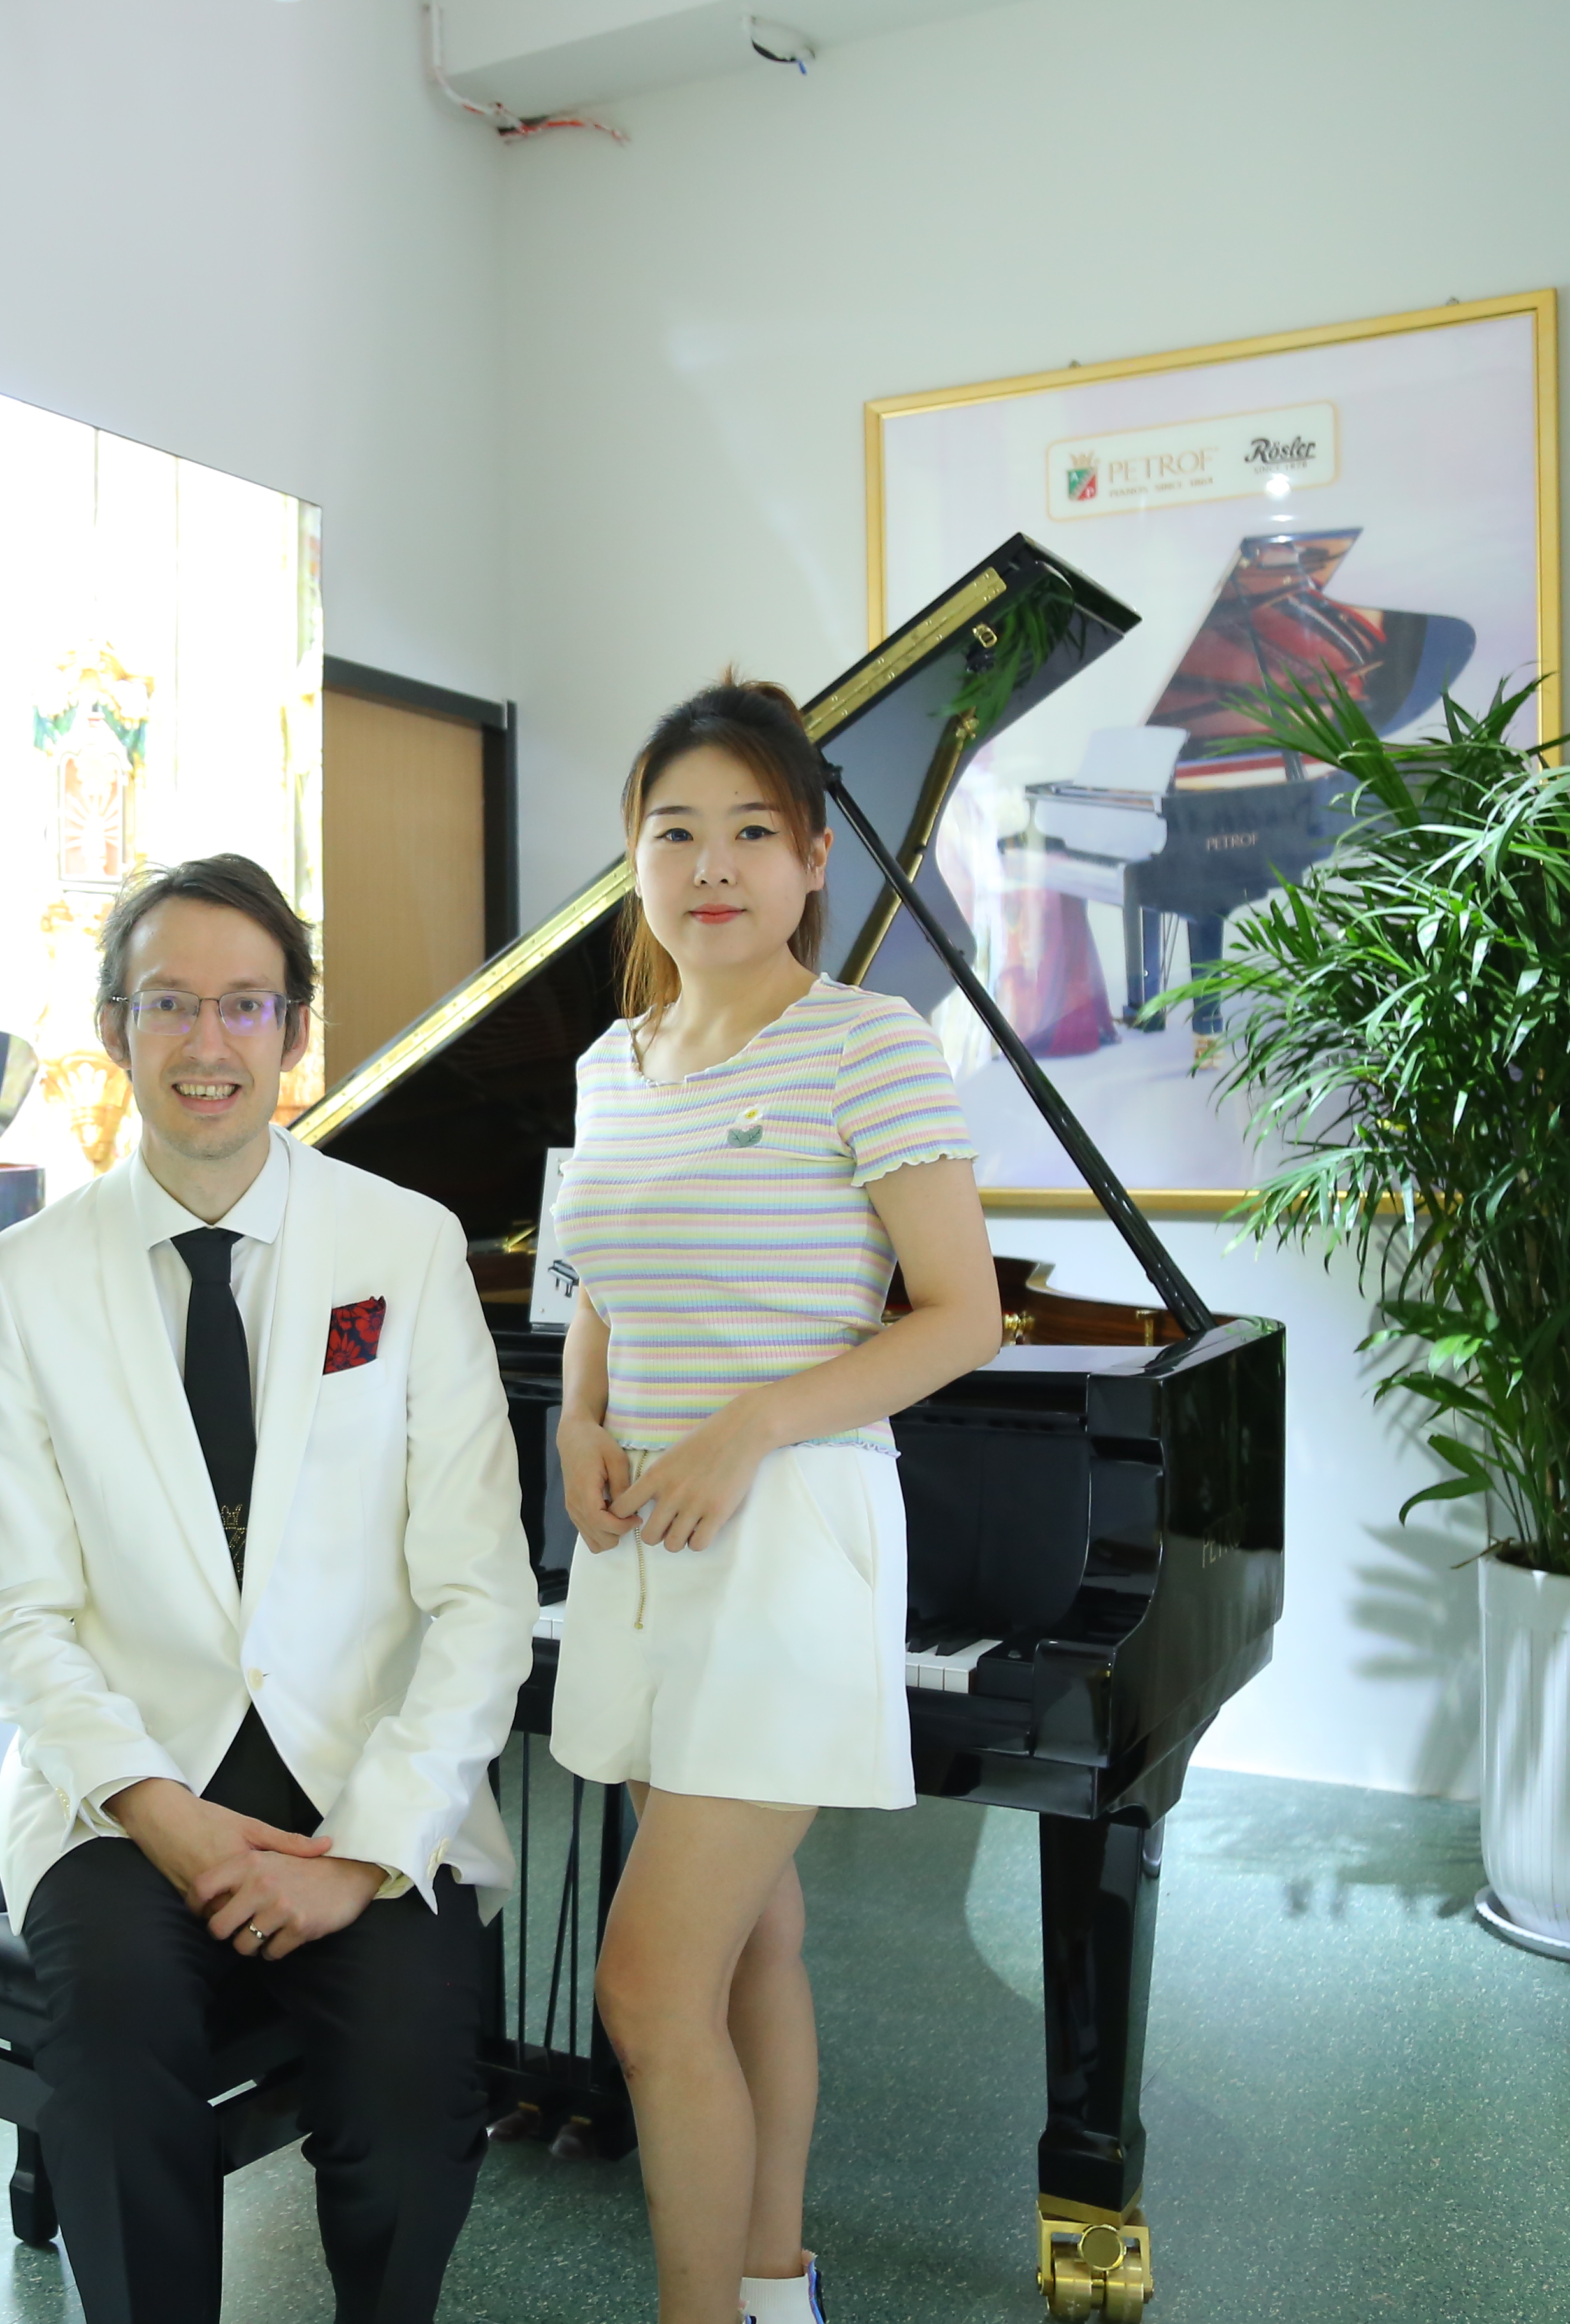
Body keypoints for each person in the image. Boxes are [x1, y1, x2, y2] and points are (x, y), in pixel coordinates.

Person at [0, 854, 541, 2324]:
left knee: (412, 2085)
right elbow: (19, 1612)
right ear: (116, 1026)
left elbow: (481, 1593)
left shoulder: (403, 1247)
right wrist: (160, 1811)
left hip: (360, 1773)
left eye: (244, 1004)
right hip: (125, 1785)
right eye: (169, 1004)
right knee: (110, 2050)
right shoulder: (26, 1278)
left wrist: (363, 1853)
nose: (206, 1042)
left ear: (294, 1027)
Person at [544, 678, 1004, 2324]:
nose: (713, 866)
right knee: (749, 1948)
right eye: (677, 833)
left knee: (645, 1987)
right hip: (648, 1549)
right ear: (636, 860)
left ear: (814, 859)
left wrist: (749, 1427)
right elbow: (596, 1283)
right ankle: (773, 2287)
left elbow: (963, 1316)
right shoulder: (611, 1064)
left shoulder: (869, 1045)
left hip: (790, 1537)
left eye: (753, 831)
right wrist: (578, 1421)